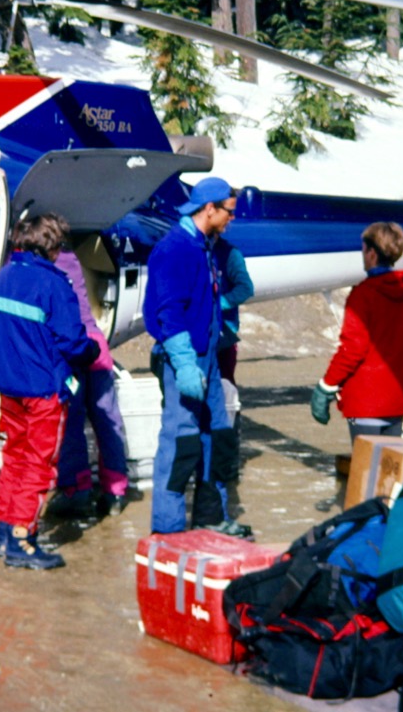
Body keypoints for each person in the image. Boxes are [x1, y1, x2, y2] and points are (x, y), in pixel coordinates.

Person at [0, 213, 99, 570]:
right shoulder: (54, 285)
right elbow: (73, 342)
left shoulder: (1, 278)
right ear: (52, 246)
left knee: (14, 458)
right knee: (39, 464)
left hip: (10, 387)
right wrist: (93, 350)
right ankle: (23, 538)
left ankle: (4, 532)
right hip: (42, 392)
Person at [143, 176, 250, 538]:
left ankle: (210, 517)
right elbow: (168, 312)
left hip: (209, 358)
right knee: (181, 444)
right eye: (229, 212)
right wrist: (185, 364)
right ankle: (167, 529)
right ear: (209, 209)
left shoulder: (204, 246)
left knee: (217, 436)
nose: (232, 218)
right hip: (183, 362)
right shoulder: (175, 249)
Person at [310, 221, 403, 442]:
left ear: (372, 253)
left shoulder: (363, 295)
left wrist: (326, 386)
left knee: (366, 463)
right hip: (396, 402)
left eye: (363, 249)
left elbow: (353, 349)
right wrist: (400, 378)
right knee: (389, 463)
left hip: (364, 403)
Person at [50, 241, 130, 519]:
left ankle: (77, 490)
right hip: (96, 342)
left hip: (70, 347)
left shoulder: (36, 264)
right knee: (108, 419)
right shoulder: (71, 257)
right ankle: (116, 491)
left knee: (71, 422)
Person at [210, 235, 253, 484]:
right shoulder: (195, 248)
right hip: (201, 335)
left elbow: (246, 288)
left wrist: (221, 303)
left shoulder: (230, 254)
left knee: (227, 397)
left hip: (225, 336)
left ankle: (230, 462)